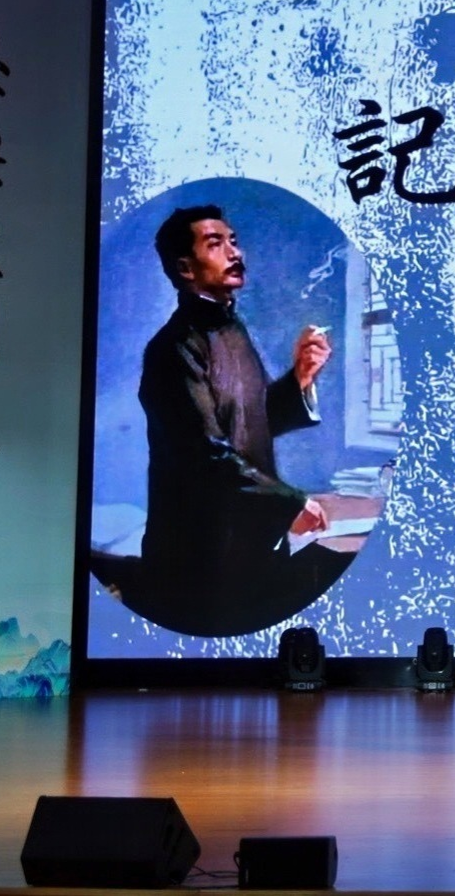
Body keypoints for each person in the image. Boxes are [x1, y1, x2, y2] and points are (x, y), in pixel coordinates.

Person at [134, 203, 342, 636]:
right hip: (199, 562)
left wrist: (300, 378)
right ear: (185, 268)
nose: (235, 253)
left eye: (234, 241)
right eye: (216, 244)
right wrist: (290, 504)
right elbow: (207, 455)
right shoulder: (172, 350)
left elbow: (252, 422)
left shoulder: (234, 329)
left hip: (252, 546)